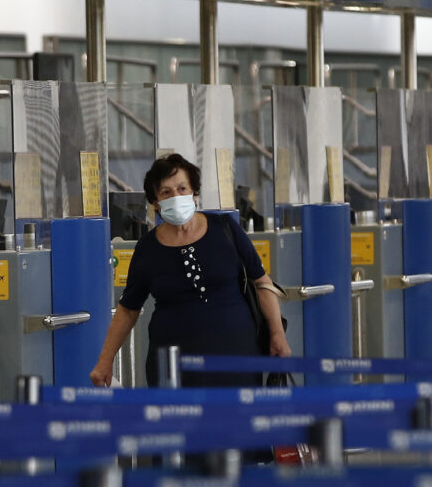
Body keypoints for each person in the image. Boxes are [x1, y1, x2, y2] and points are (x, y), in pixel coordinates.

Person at [89, 153, 289, 389]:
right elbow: (127, 310)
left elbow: (262, 283)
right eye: (166, 192)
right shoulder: (148, 248)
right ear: (155, 203)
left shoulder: (225, 230)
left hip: (236, 360)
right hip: (173, 368)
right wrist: (105, 360)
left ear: (194, 193)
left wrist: (277, 334)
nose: (176, 196)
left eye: (182, 188)